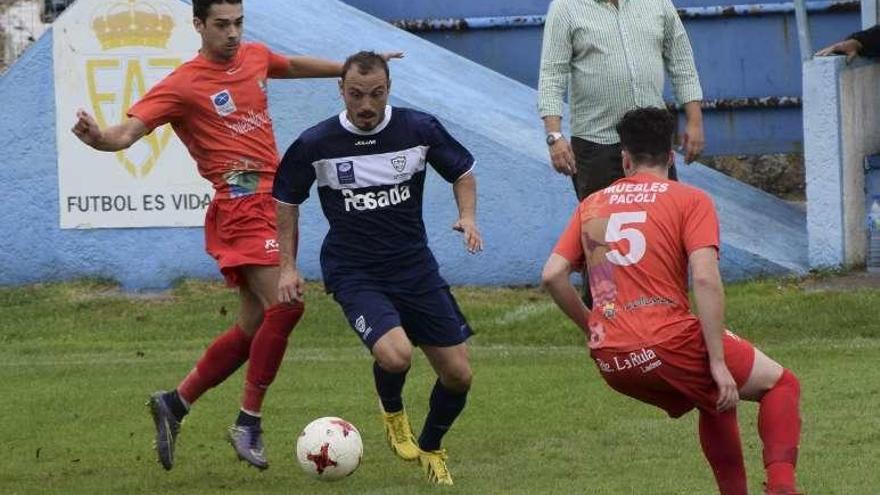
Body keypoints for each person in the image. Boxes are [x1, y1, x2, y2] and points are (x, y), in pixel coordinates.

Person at [71, 0, 400, 471]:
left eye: (238, 23)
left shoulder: (254, 56)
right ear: (199, 25)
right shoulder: (183, 84)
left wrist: (347, 69)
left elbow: (291, 65)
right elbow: (125, 134)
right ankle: (249, 420)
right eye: (221, 24)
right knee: (287, 304)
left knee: (252, 328)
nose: (232, 33)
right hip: (239, 204)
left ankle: (175, 402)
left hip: (276, 203)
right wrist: (98, 137)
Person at [541, 108, 803, 495]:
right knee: (781, 385)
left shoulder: (592, 205)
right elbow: (704, 277)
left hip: (613, 359)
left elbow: (552, 275)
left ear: (625, 159)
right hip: (667, 341)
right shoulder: (689, 200)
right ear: (671, 156)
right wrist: (717, 360)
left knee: (714, 399)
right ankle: (782, 488)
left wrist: (593, 327)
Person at [273, 51, 481, 486]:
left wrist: (468, 216)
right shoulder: (316, 143)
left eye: (376, 94)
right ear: (341, 91)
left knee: (459, 375)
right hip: (355, 270)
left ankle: (431, 445)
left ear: (388, 89)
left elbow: (463, 171)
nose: (366, 106)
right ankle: (392, 412)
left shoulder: (418, 129)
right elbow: (287, 199)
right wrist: (287, 267)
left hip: (414, 266)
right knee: (396, 353)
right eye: (356, 95)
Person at [537, 0, 705, 202]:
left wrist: (695, 122)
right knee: (602, 228)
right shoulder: (566, 7)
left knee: (663, 222)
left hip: (653, 143)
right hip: (597, 145)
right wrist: (554, 136)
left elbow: (681, 62)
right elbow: (552, 74)